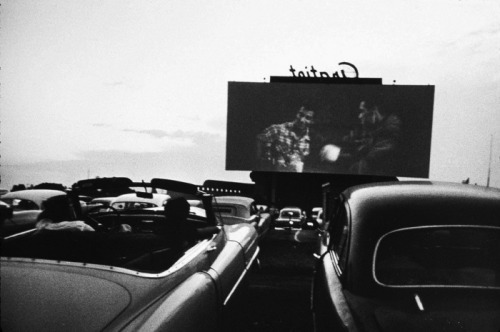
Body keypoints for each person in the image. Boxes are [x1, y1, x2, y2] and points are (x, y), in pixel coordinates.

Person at [345, 100, 402, 174]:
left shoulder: (389, 136)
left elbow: (366, 167)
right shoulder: (380, 131)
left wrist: (337, 158)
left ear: (374, 111)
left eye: (363, 111)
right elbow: (362, 149)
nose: (360, 116)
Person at [256, 105, 315, 172]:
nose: (302, 120)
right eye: (300, 115)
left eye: (307, 118)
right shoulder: (280, 129)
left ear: (312, 121)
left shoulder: (311, 138)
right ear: (296, 114)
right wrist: (261, 161)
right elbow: (260, 138)